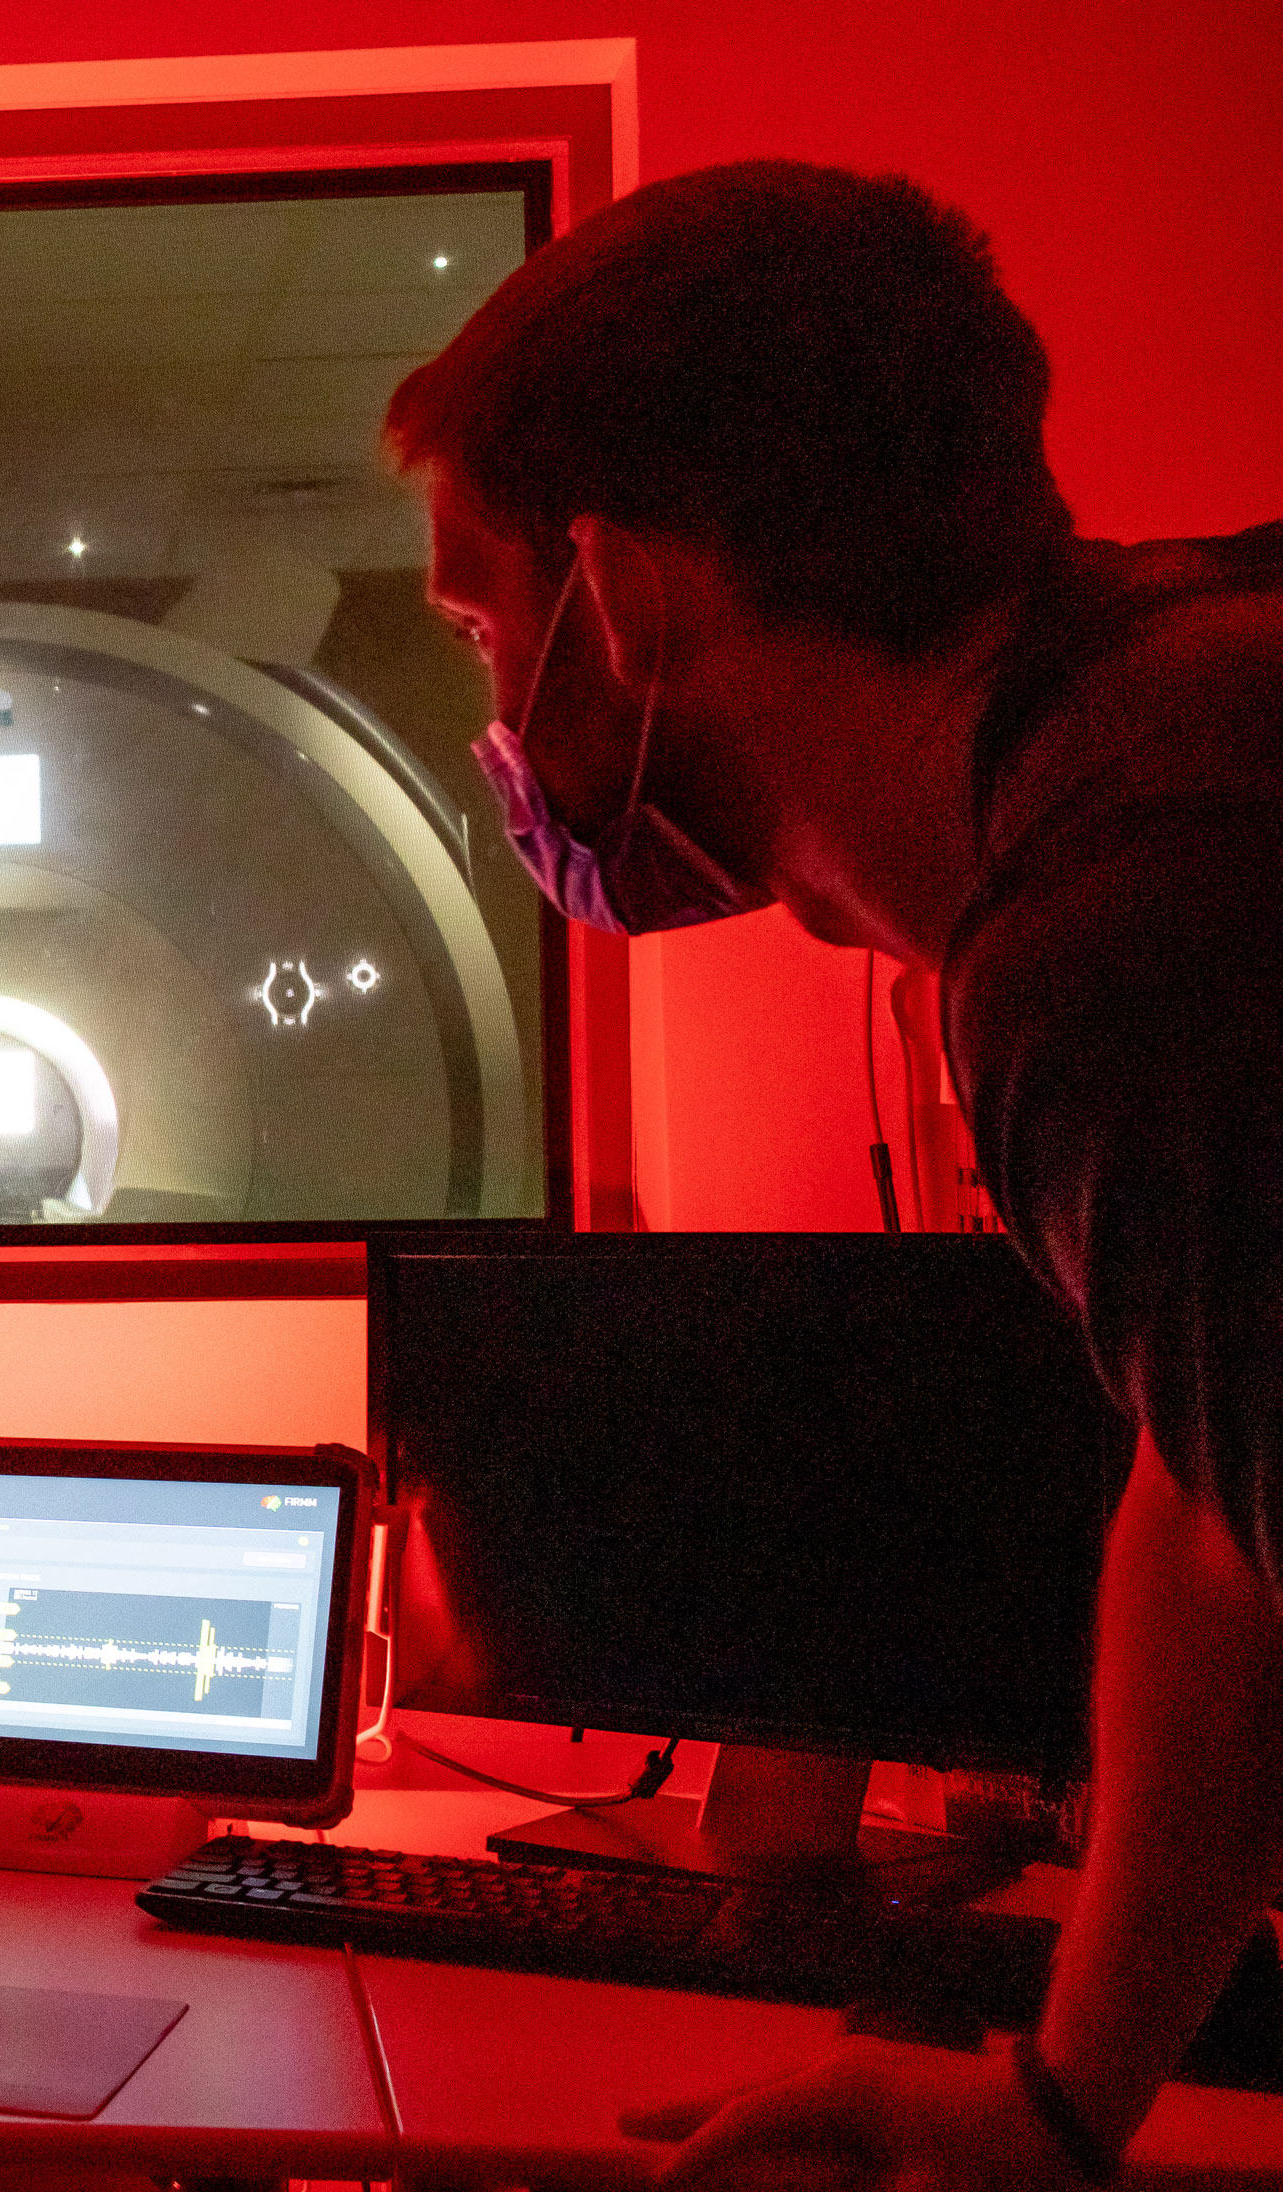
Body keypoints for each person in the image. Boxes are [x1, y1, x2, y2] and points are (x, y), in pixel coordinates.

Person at [385, 158, 1283, 2187]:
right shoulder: (1177, 685)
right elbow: (1214, 1494)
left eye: (476, 626)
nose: (495, 737)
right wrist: (1058, 2101)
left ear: (619, 594)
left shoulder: (1130, 934)